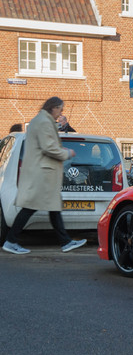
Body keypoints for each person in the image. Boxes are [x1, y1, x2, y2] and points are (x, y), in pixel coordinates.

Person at [2, 97, 87, 255]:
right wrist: (67, 153)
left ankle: (65, 242)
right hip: (42, 174)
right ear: (53, 108)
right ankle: (11, 240)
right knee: (31, 208)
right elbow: (49, 147)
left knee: (52, 208)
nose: (61, 113)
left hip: (42, 173)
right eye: (60, 109)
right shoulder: (43, 122)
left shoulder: (41, 120)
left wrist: (57, 126)